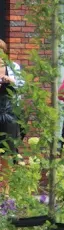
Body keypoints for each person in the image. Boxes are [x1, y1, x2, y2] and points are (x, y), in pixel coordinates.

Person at [0, 40, 24, 190]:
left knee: (7, 152)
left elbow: (22, 85)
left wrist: (11, 80)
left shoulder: (13, 67)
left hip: (9, 114)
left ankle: (6, 190)